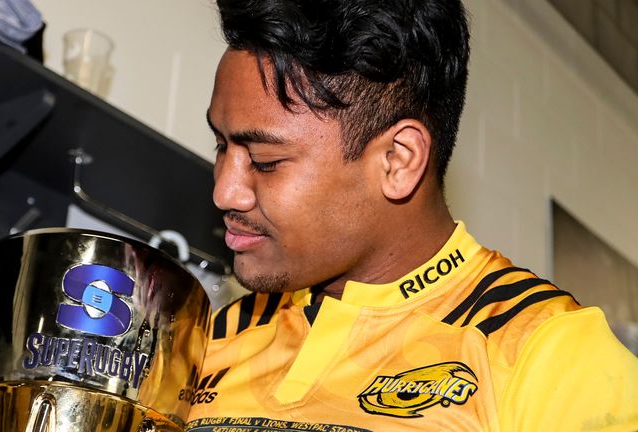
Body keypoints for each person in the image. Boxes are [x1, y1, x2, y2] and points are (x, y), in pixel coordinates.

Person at [185, 0, 638, 430]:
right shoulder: (209, 337)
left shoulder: (550, 357)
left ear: (398, 161)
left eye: (265, 160)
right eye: (221, 145)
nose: (224, 191)